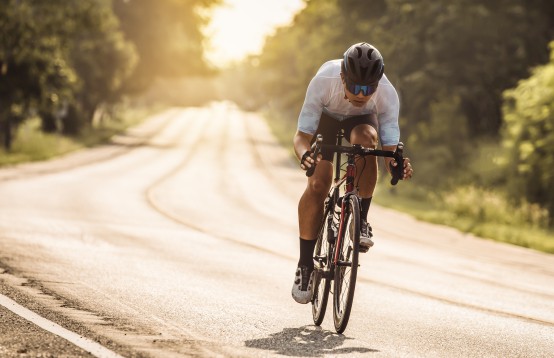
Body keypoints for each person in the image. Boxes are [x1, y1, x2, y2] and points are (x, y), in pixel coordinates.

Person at [291, 42, 413, 304]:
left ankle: (361, 220)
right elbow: (302, 137)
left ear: (377, 84)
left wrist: (396, 164)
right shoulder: (324, 81)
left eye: (368, 89)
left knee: (368, 141)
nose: (361, 94)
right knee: (318, 184)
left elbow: (390, 148)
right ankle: (304, 265)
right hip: (326, 119)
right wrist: (305, 155)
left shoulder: (386, 93)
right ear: (342, 77)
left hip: (361, 123)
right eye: (355, 86)